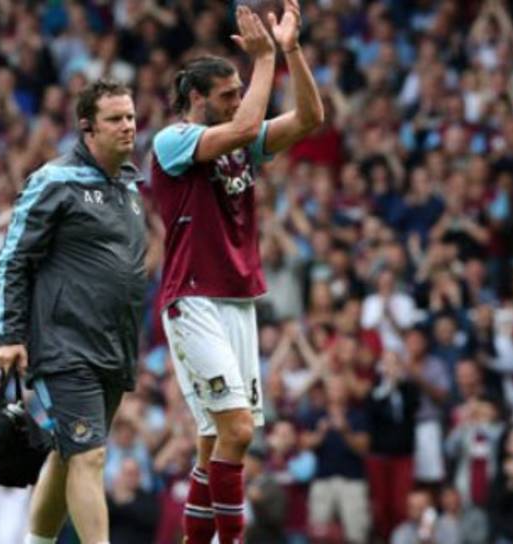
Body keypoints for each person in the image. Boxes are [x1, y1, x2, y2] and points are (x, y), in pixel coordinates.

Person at [150, 1, 324, 541]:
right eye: (226, 94)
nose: (236, 102)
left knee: (214, 441)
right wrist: (264, 59)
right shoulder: (173, 141)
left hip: (238, 297)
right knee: (239, 430)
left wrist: (291, 51)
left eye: (238, 92)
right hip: (194, 297)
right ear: (196, 98)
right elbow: (248, 123)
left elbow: (310, 118)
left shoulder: (241, 145)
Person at [0, 79, 147, 544]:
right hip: (65, 345)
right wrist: (9, 335)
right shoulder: (54, 181)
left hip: (114, 346)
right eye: (115, 119)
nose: (128, 126)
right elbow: (13, 257)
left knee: (71, 450)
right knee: (90, 455)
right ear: (87, 127)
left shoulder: (129, 184)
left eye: (131, 117)